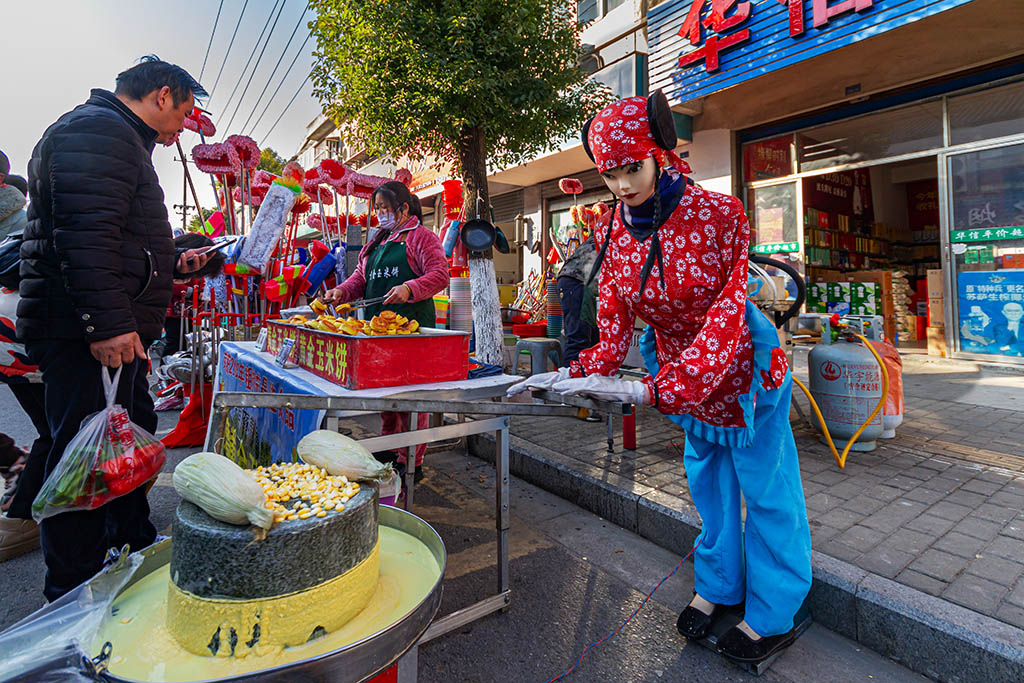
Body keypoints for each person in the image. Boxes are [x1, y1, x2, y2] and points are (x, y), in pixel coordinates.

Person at [509, 92, 812, 665]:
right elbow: (615, 325)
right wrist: (569, 375)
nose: (621, 184)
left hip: (740, 361)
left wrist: (662, 386)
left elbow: (729, 310)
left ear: (661, 155)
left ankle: (778, 606)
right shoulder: (614, 232)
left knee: (766, 487)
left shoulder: (721, 214)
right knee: (708, 483)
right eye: (610, 172)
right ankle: (720, 586)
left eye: (632, 168)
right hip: (673, 366)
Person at [18, 56, 211, 601]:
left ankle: (128, 546)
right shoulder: (98, 131)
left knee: (126, 439)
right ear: (163, 95)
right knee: (84, 458)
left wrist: (174, 260)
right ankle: (73, 586)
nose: (183, 125)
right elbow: (84, 236)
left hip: (107, 326)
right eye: (186, 110)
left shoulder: (115, 136)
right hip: (85, 331)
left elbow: (121, 240)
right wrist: (105, 325)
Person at [322, 181, 449, 480]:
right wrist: (341, 292)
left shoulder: (422, 237)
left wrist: (410, 287)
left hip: (413, 332)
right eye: (377, 209)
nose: (380, 214)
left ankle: (412, 459)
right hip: (378, 333)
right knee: (386, 396)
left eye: (385, 208)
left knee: (413, 399)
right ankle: (392, 448)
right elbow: (359, 278)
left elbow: (440, 274)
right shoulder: (377, 242)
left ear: (404, 208)